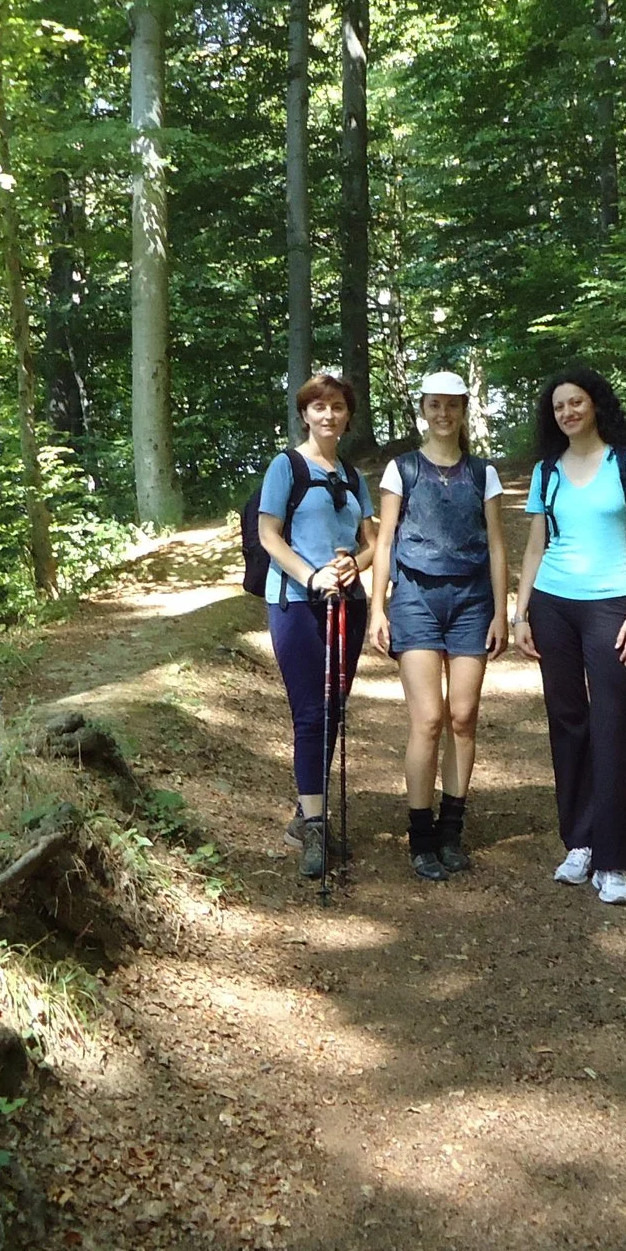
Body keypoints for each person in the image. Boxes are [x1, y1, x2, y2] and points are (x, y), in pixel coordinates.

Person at [515, 367, 626, 905]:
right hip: (553, 604)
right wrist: (521, 613)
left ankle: (614, 859)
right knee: (567, 721)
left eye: (576, 402)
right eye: (558, 407)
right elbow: (535, 546)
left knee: (612, 722)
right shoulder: (547, 470)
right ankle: (579, 842)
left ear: (595, 404)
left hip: (610, 605)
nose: (568, 412)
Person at [368, 372, 510, 882]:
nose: (443, 414)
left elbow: (496, 543)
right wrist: (377, 608)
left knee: (464, 717)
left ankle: (453, 829)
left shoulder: (482, 473)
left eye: (452, 406)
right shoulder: (400, 470)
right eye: (434, 405)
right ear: (422, 410)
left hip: (472, 601)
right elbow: (383, 542)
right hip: (416, 600)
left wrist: (501, 610)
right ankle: (420, 833)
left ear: (463, 411)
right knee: (428, 719)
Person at [256, 373, 376, 879]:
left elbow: (372, 541)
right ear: (305, 414)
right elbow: (268, 535)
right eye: (318, 407)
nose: (328, 415)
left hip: (347, 604)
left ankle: (307, 812)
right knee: (310, 714)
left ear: (348, 415)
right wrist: (312, 574)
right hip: (295, 604)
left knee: (332, 712)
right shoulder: (286, 466)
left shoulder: (353, 476)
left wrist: (355, 565)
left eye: (337, 407)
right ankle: (315, 825)